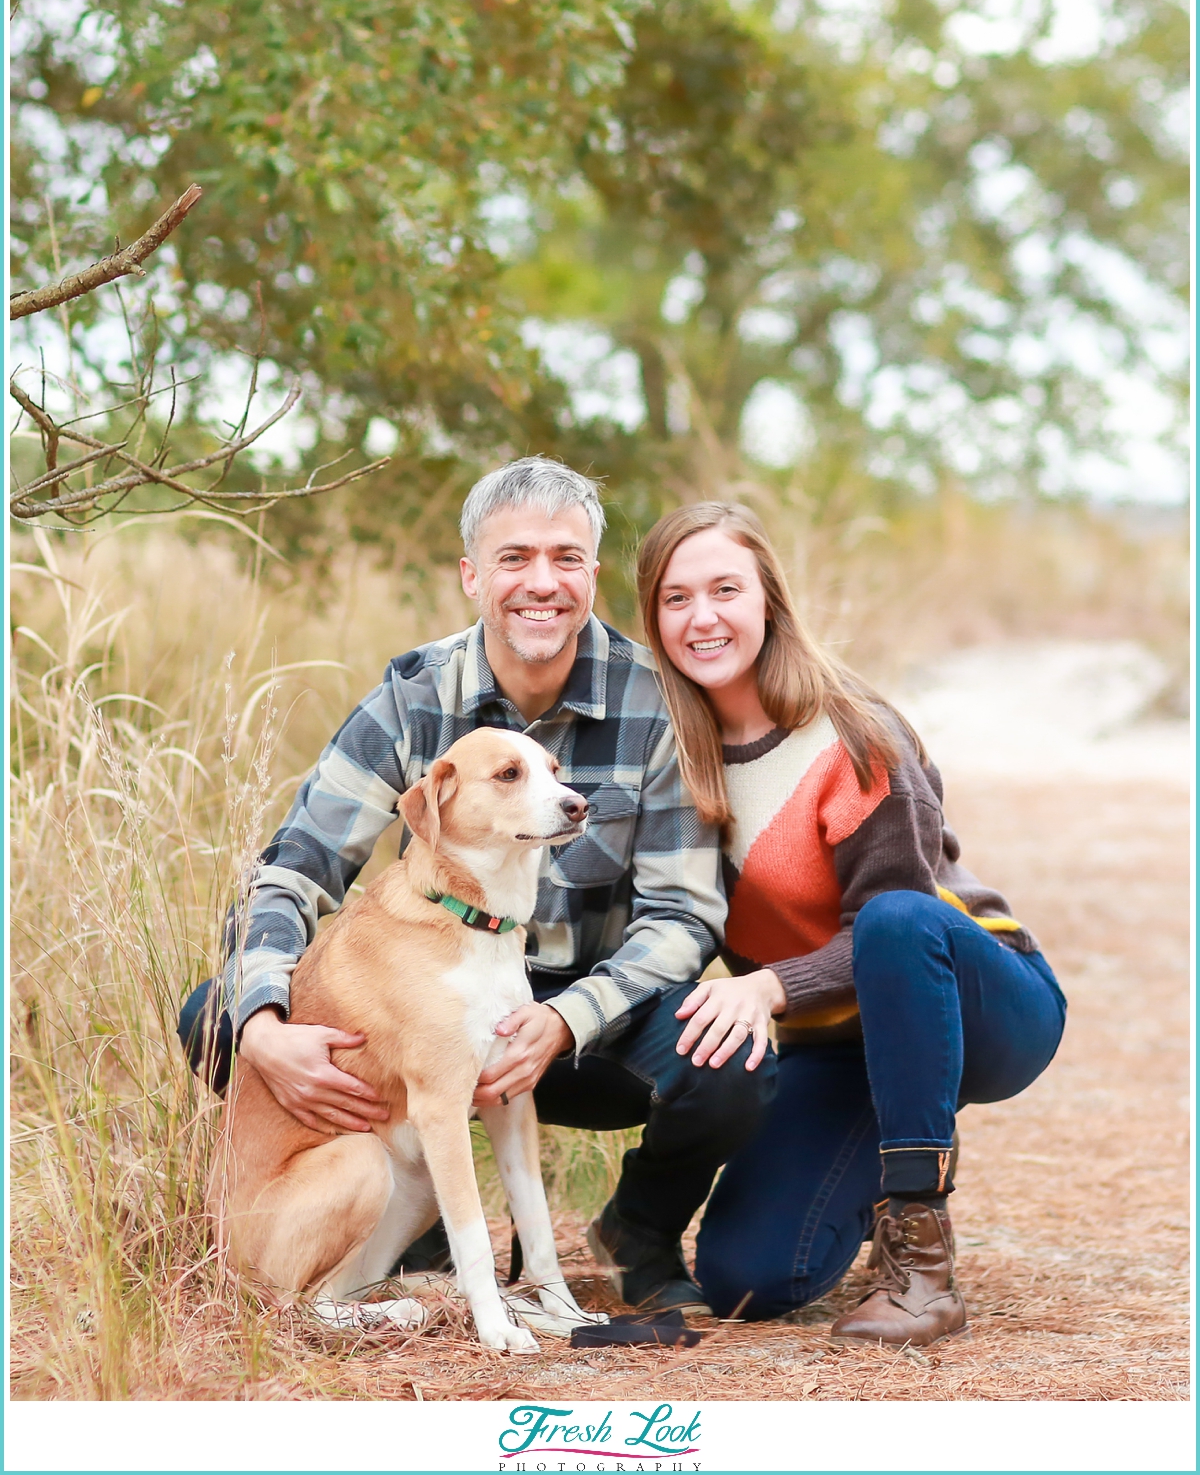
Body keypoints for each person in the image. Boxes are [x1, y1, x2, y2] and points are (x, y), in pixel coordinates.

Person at [179, 458, 775, 1312]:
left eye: (567, 559)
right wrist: (264, 1025)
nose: (542, 583)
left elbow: (684, 916)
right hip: (440, 1010)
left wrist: (567, 1019)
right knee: (219, 1016)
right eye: (514, 558)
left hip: (588, 1023)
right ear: (471, 576)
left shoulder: (657, 701)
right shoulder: (414, 699)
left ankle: (636, 1233)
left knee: (729, 1065)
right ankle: (400, 1227)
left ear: (593, 576)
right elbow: (292, 870)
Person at [634, 500, 1066, 1345]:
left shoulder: (854, 733)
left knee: (898, 923)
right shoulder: (669, 759)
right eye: (676, 598)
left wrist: (767, 984)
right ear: (653, 618)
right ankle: (871, 1173)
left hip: (982, 1003)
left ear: (769, 601)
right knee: (745, 1278)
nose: (703, 616)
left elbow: (891, 923)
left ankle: (922, 1262)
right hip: (836, 1042)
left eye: (726, 588)